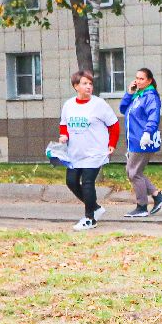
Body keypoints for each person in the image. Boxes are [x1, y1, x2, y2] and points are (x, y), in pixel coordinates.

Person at [59, 69, 120, 231]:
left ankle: (90, 218)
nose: (88, 87)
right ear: (75, 86)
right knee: (71, 182)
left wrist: (112, 143)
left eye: (90, 84)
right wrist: (63, 136)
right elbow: (64, 124)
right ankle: (95, 207)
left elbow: (114, 125)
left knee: (87, 182)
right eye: (84, 84)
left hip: (95, 152)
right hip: (75, 152)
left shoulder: (99, 104)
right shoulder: (69, 105)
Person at [119, 67, 162, 219]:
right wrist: (129, 93)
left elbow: (154, 116)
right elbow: (123, 109)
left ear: (149, 80)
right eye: (137, 78)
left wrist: (147, 133)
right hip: (134, 139)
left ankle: (141, 206)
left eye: (141, 79)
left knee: (133, 172)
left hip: (143, 139)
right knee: (133, 171)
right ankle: (157, 195)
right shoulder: (138, 95)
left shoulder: (150, 96)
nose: (138, 81)